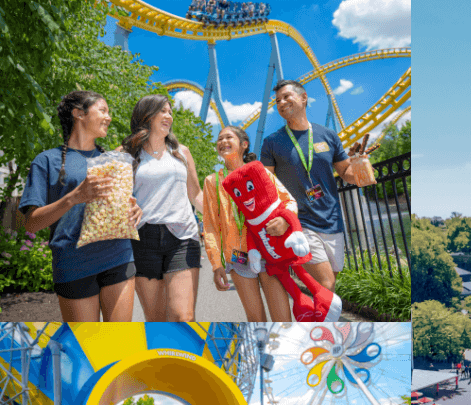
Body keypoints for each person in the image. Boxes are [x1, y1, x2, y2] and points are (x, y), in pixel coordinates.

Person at [20, 91, 142, 322]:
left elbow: (127, 203)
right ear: (79, 114)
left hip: (119, 255)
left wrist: (136, 210)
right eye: (103, 110)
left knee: (119, 341)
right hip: (74, 263)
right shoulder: (47, 161)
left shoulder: (114, 160)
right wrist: (74, 197)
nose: (109, 117)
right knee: (87, 347)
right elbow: (32, 222)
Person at [261, 80, 361, 296]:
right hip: (300, 222)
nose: (282, 103)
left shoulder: (328, 135)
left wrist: (360, 163)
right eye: (278, 100)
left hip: (332, 220)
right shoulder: (272, 142)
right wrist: (282, 217)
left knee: (329, 287)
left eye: (287, 97)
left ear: (304, 97)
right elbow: (266, 185)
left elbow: (346, 173)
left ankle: (315, 325)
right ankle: (319, 329)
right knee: (325, 283)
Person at [121, 95, 203, 321]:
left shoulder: (181, 152)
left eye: (170, 112)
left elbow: (196, 195)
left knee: (182, 316)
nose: (169, 116)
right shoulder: (126, 153)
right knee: (156, 319)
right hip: (142, 240)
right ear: (146, 116)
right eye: (163, 111)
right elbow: (116, 197)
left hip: (182, 237)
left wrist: (226, 215)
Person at [202, 126, 294, 321]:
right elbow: (210, 225)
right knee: (255, 318)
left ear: (244, 145)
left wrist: (285, 221)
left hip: (270, 252)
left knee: (283, 318)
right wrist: (216, 264)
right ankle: (261, 351)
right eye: (219, 139)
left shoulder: (259, 172)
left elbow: (288, 201)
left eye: (228, 137)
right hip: (238, 256)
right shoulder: (212, 182)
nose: (222, 141)